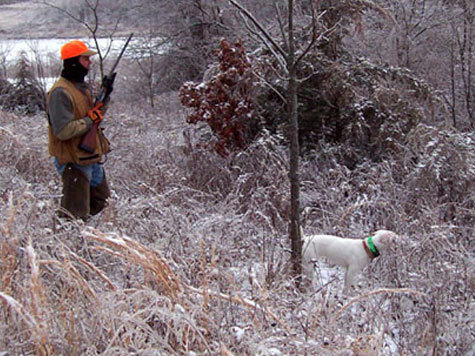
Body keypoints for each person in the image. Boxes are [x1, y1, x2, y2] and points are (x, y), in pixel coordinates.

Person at [47, 40, 111, 220]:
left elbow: (94, 117)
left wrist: (104, 99)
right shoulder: (60, 92)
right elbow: (63, 130)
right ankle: (65, 242)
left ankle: (83, 236)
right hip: (73, 159)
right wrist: (90, 120)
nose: (90, 63)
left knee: (101, 200)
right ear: (73, 62)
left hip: (90, 156)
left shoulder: (80, 88)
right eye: (85, 59)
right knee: (73, 215)